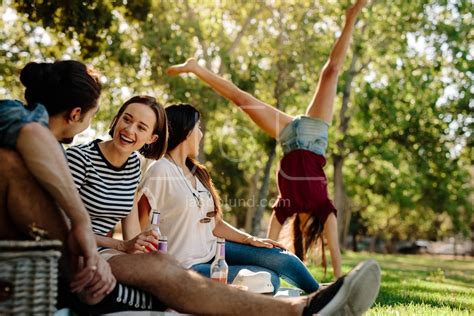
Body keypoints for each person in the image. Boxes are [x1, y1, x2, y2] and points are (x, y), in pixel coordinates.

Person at [0, 61, 381, 315]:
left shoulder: (137, 165)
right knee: (176, 276)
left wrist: (130, 246)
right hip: (69, 252)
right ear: (78, 115)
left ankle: (306, 307)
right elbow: (34, 141)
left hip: (90, 253)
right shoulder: (51, 144)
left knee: (179, 268)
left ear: (152, 137)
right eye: (122, 119)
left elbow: (136, 227)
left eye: (142, 127)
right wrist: (93, 237)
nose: (129, 131)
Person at [167, 0, 368, 279]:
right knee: (330, 72)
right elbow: (335, 251)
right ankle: (352, 16)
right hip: (313, 135)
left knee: (242, 100)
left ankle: (196, 69)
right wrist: (338, 278)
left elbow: (270, 247)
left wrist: (271, 269)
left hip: (288, 137)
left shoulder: (285, 207)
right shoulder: (324, 207)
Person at [137, 103, 319, 294]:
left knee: (283, 258)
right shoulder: (160, 170)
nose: (201, 134)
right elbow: (139, 228)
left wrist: (250, 239)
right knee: (269, 281)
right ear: (187, 131)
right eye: (198, 128)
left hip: (214, 250)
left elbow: (215, 224)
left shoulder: (197, 173)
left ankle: (324, 296)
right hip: (186, 266)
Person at [0, 60, 115, 303]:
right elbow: (32, 133)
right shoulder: (12, 111)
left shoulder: (57, 156)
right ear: (75, 114)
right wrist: (81, 220)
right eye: (91, 116)